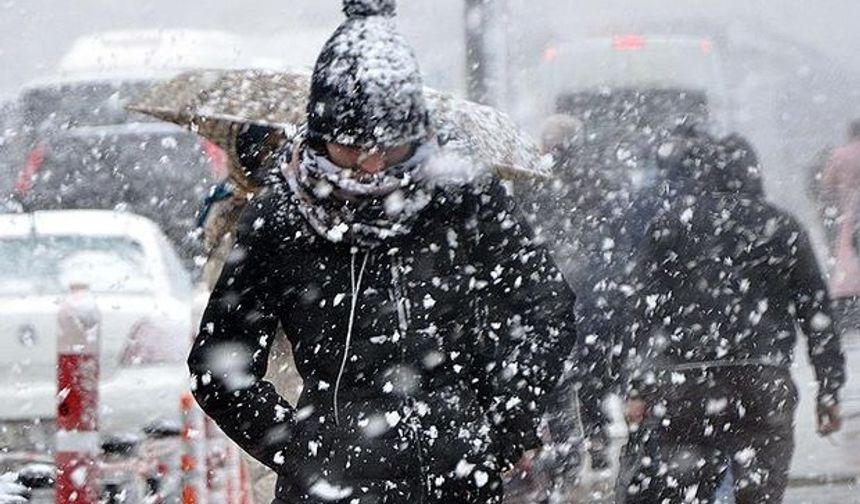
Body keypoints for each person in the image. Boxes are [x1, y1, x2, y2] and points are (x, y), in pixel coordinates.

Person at [187, 1, 578, 503]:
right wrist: (304, 449)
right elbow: (219, 367)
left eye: (388, 147)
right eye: (350, 147)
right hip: (328, 486)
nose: (370, 165)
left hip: (457, 481)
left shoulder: (462, 196)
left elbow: (546, 309)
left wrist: (501, 428)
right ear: (320, 134)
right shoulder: (280, 219)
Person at [616, 134, 845, 504]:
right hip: (761, 377)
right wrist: (829, 387)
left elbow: (640, 309)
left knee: (686, 484)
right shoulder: (780, 226)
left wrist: (637, 386)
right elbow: (815, 308)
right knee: (758, 488)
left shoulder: (671, 225)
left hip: (685, 380)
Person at [821, 119, 860, 334]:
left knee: (847, 256)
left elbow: (827, 184)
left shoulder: (841, 155)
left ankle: (849, 298)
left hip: (850, 212)